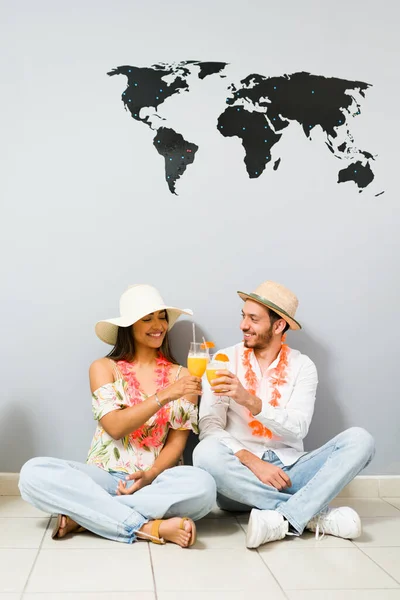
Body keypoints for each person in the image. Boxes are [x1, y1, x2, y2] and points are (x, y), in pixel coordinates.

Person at [19, 284, 216, 547]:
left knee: (204, 486)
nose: (157, 325)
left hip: (155, 481)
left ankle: (89, 515)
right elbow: (114, 427)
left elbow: (177, 444)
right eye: (147, 319)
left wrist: (151, 474)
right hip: (103, 478)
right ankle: (146, 526)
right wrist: (165, 395)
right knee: (32, 474)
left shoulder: (183, 375)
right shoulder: (104, 368)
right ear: (129, 327)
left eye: (161, 317)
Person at [193, 281, 375, 548]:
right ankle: (310, 514)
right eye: (243, 316)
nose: (243, 325)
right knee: (203, 453)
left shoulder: (303, 367)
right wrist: (253, 462)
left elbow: (298, 428)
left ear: (278, 326)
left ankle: (281, 519)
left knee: (362, 440)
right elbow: (209, 425)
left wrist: (250, 401)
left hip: (291, 473)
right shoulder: (224, 359)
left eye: (253, 319)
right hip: (239, 477)